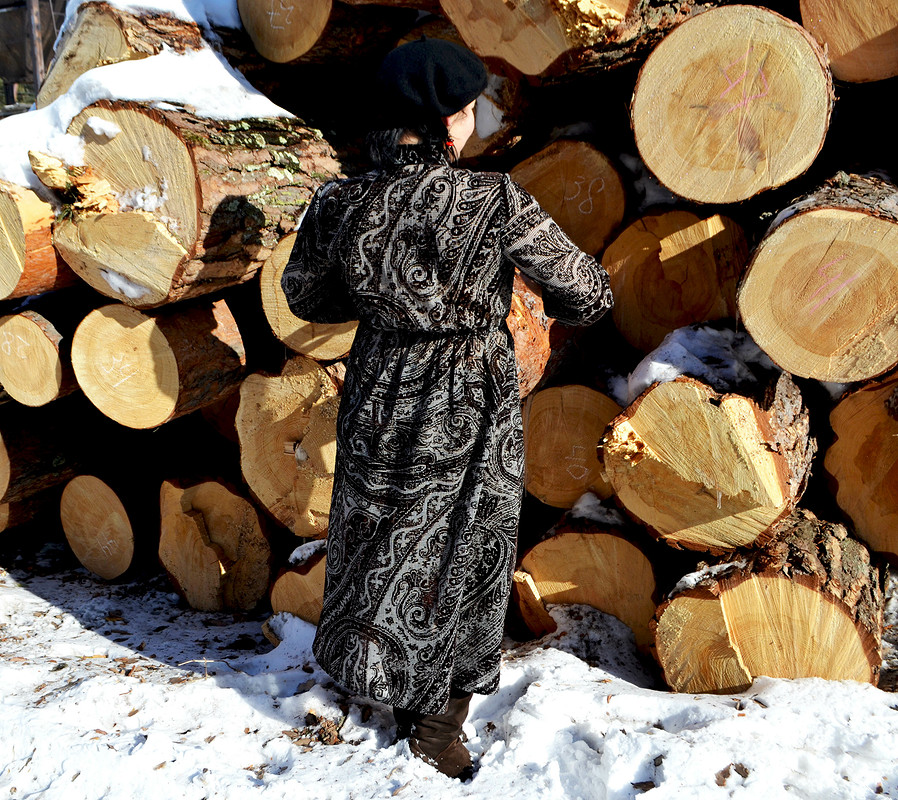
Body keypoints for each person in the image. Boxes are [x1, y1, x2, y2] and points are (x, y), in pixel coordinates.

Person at [281, 37, 613, 780]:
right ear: (449, 120)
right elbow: (588, 295)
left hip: (379, 380)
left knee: (385, 530)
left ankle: (396, 685)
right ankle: (436, 724)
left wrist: (380, 292)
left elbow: (307, 297)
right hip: (468, 390)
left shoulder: (339, 200)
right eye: (469, 110)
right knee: (462, 544)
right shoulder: (492, 200)